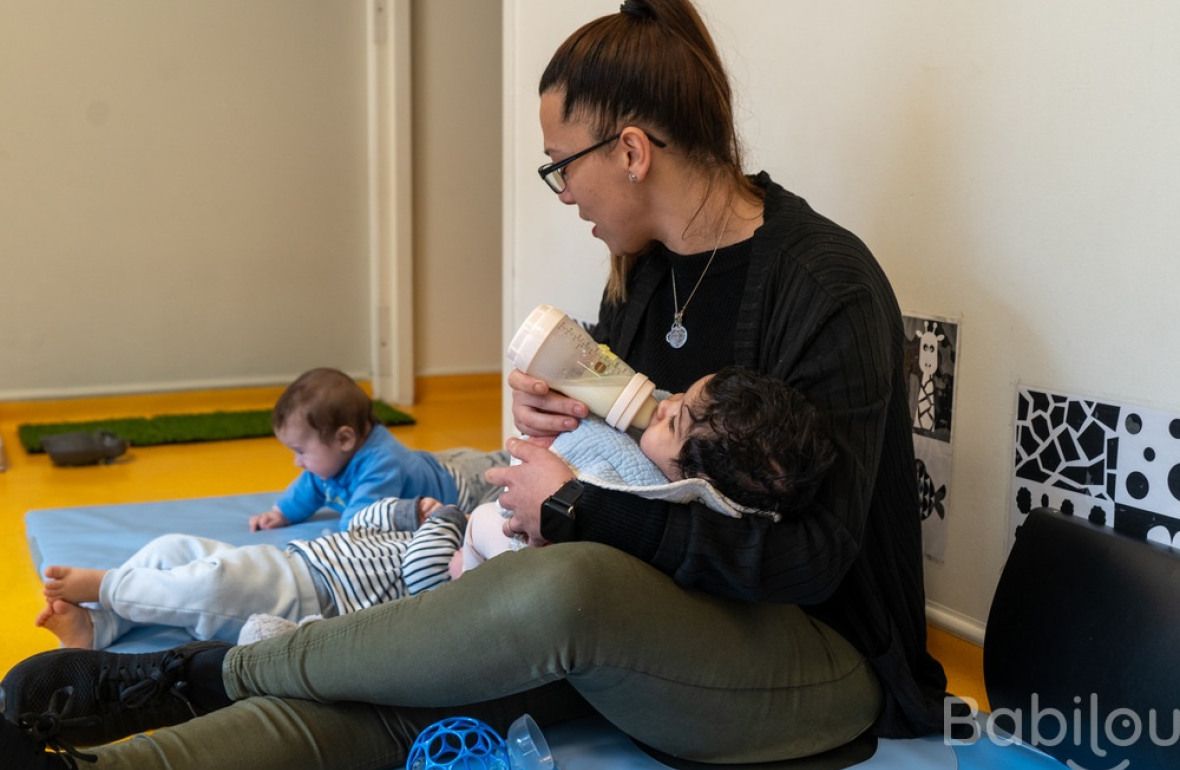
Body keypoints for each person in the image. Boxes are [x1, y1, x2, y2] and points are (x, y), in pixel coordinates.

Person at [0, 2, 948, 768]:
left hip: (804, 652)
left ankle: (216, 672)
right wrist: (553, 430)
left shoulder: (828, 286)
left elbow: (812, 561)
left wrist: (575, 510)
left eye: (560, 166)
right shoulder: (648, 269)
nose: (562, 192)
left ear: (630, 150)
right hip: (654, 609)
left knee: (560, 589)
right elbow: (630, 459)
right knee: (434, 653)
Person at [245, 367, 502, 533]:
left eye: (301, 451)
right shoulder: (331, 461)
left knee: (502, 470)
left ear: (344, 439)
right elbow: (308, 488)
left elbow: (360, 521)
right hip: (426, 464)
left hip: (460, 485)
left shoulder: (381, 465)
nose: (297, 462)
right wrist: (281, 513)